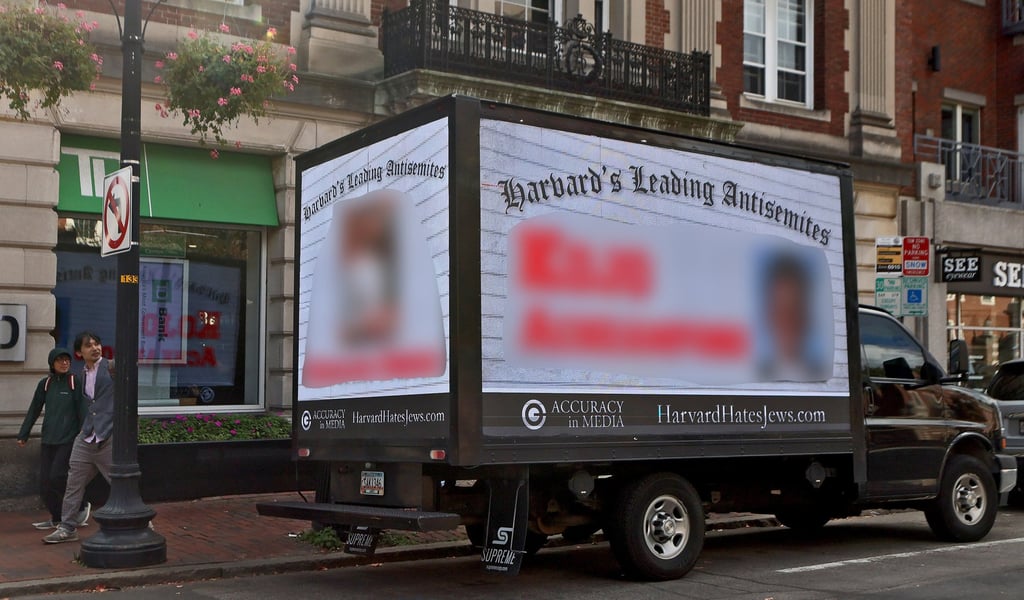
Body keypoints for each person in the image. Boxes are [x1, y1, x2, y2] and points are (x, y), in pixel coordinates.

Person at [43, 331, 114, 544]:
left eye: (97, 343)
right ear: (79, 352)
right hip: (87, 435)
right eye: (88, 345)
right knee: (73, 481)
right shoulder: (80, 375)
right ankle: (67, 526)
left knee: (120, 482)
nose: (95, 348)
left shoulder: (111, 367)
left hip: (109, 434)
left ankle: (143, 523)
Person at [16, 348, 92, 531]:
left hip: (68, 439)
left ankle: (81, 505)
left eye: (67, 360)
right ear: (52, 363)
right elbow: (34, 409)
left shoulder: (75, 382)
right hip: (48, 439)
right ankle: (58, 518)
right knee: (44, 485)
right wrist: (23, 433)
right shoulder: (45, 384)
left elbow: (83, 410)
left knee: (57, 476)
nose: (64, 363)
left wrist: (85, 433)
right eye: (60, 360)